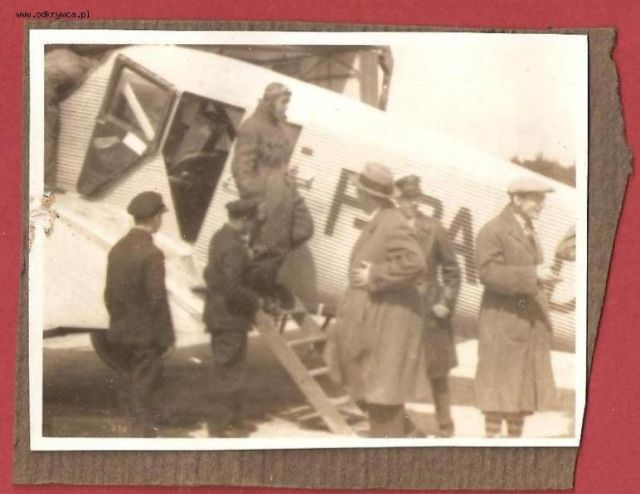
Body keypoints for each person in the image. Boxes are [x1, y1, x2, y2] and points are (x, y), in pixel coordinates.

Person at [326, 162, 428, 437]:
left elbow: (415, 263)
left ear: (367, 195)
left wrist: (375, 274)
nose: (355, 195)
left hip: (387, 329)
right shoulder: (382, 219)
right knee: (377, 397)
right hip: (379, 325)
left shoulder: (392, 223)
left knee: (383, 401)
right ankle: (408, 441)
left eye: (358, 191)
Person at [474, 177, 559, 438]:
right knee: (497, 394)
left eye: (542, 199)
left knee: (520, 395)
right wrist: (534, 274)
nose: (541, 204)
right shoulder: (493, 230)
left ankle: (513, 445)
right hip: (502, 323)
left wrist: (540, 276)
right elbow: (487, 273)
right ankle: (491, 445)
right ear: (516, 199)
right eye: (536, 198)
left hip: (524, 321)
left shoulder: (528, 229)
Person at [93, 191, 175, 437]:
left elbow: (109, 295)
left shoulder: (117, 249)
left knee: (128, 384)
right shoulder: (152, 254)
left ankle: (134, 430)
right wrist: (166, 337)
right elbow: (157, 300)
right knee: (146, 388)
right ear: (156, 217)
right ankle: (144, 436)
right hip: (145, 337)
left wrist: (121, 321)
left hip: (120, 332)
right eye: (161, 216)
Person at [230, 82, 314, 309]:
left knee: (304, 228)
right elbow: (241, 171)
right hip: (269, 195)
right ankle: (255, 287)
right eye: (283, 102)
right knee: (272, 245)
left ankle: (255, 272)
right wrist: (258, 201)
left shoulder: (276, 126)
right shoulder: (252, 127)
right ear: (270, 101)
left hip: (286, 190)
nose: (286, 107)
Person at [395, 175, 462, 437]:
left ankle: (445, 427)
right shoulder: (390, 227)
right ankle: (398, 425)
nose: (410, 203)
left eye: (414, 198)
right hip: (398, 307)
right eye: (405, 199)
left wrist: (445, 302)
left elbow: (452, 270)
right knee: (393, 365)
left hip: (429, 307)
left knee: (437, 369)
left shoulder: (434, 228)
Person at [202, 198, 262, 437]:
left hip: (219, 315)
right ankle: (223, 426)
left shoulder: (219, 237)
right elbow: (233, 288)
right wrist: (256, 301)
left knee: (228, 370)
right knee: (230, 373)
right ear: (244, 219)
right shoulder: (235, 248)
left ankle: (232, 422)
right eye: (253, 221)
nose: (253, 226)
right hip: (230, 318)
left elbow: (210, 274)